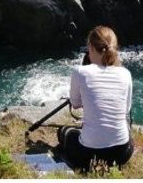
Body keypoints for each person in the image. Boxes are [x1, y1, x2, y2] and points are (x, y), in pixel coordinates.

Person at [57, 26, 134, 171]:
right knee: (126, 133)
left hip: (88, 155)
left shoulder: (80, 71)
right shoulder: (126, 73)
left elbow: (75, 103)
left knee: (64, 132)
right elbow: (126, 109)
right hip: (122, 153)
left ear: (91, 47)